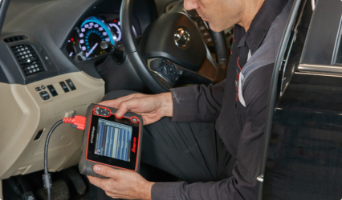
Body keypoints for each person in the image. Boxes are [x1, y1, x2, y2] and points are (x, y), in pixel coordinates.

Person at [87, 0, 292, 199]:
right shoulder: (248, 21)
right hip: (234, 141)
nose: (188, 5)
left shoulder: (266, 74)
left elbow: (244, 194)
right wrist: (164, 104)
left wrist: (145, 192)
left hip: (244, 181)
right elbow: (236, 94)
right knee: (118, 108)